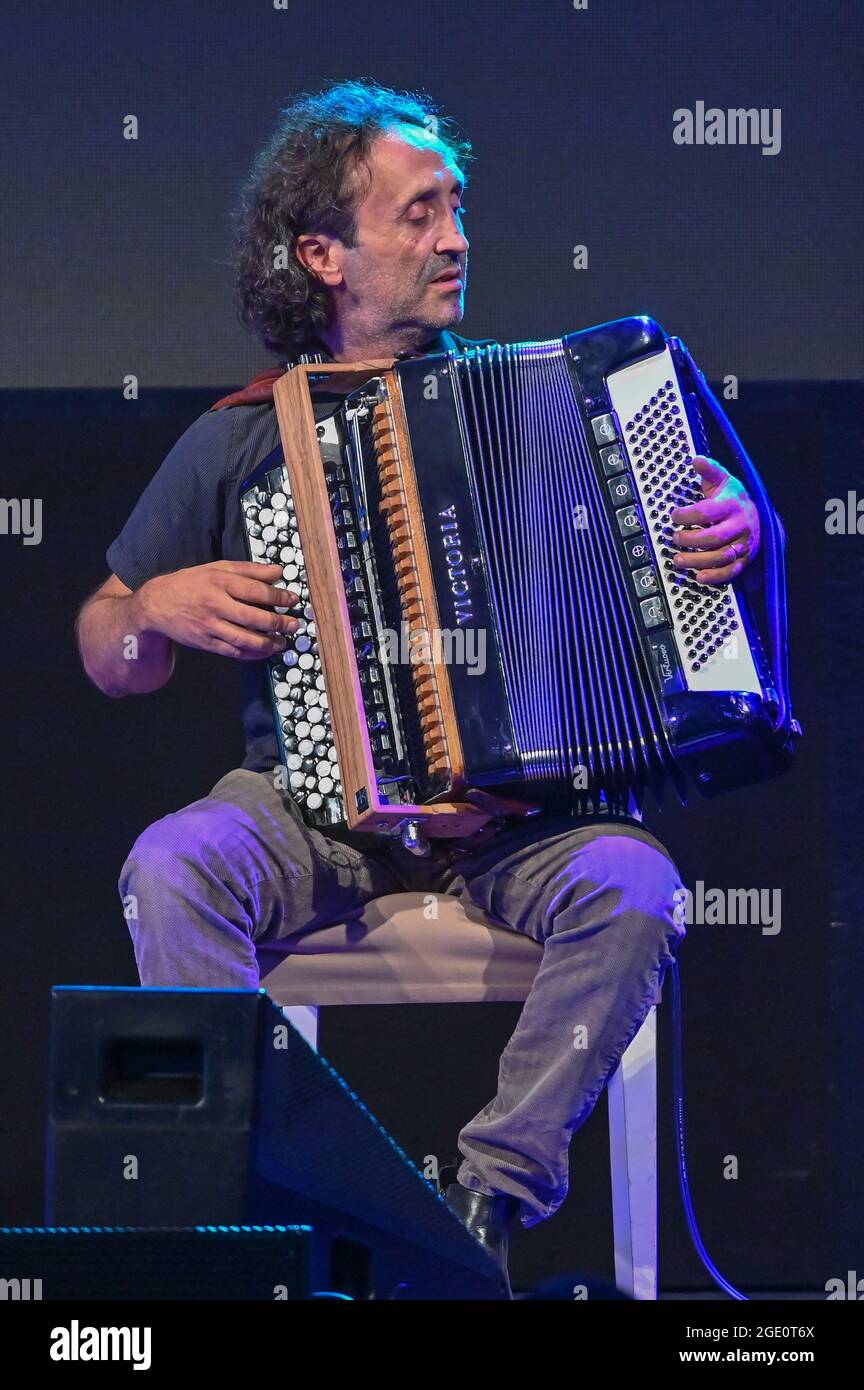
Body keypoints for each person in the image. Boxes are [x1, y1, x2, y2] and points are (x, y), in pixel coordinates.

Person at [75, 79, 761, 1297]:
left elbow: (693, 538)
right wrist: (151, 610)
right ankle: (242, 1211)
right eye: (419, 214)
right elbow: (106, 647)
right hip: (313, 818)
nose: (455, 238)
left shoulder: (558, 404)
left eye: (458, 209)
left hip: (522, 823)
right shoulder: (241, 436)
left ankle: (483, 1207)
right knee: (172, 861)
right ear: (323, 253)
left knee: (638, 884)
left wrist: (723, 530)